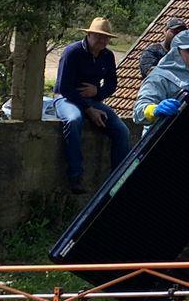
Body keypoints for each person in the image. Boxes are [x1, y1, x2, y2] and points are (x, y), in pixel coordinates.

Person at [51, 16, 131, 195]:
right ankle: (75, 177)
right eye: (99, 36)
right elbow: (64, 87)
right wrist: (88, 110)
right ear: (89, 35)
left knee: (122, 131)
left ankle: (118, 181)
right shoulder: (72, 52)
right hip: (67, 99)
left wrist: (97, 93)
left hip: (93, 102)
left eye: (106, 38)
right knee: (73, 120)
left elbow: (111, 84)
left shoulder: (107, 56)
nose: (103, 41)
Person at [132, 29, 189, 126]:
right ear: (176, 52)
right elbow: (138, 111)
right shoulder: (158, 77)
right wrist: (154, 110)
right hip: (159, 136)